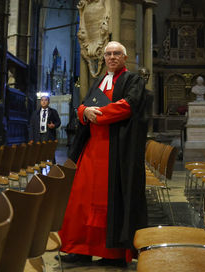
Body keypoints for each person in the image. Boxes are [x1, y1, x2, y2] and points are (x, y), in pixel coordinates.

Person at [59, 41, 148, 267]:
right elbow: (82, 107)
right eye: (108, 54)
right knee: (82, 200)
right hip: (91, 150)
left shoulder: (133, 80)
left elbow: (128, 106)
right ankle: (81, 249)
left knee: (109, 203)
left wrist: (95, 115)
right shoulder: (98, 80)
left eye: (116, 53)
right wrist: (84, 112)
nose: (111, 57)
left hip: (116, 152)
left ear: (124, 57)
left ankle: (112, 254)